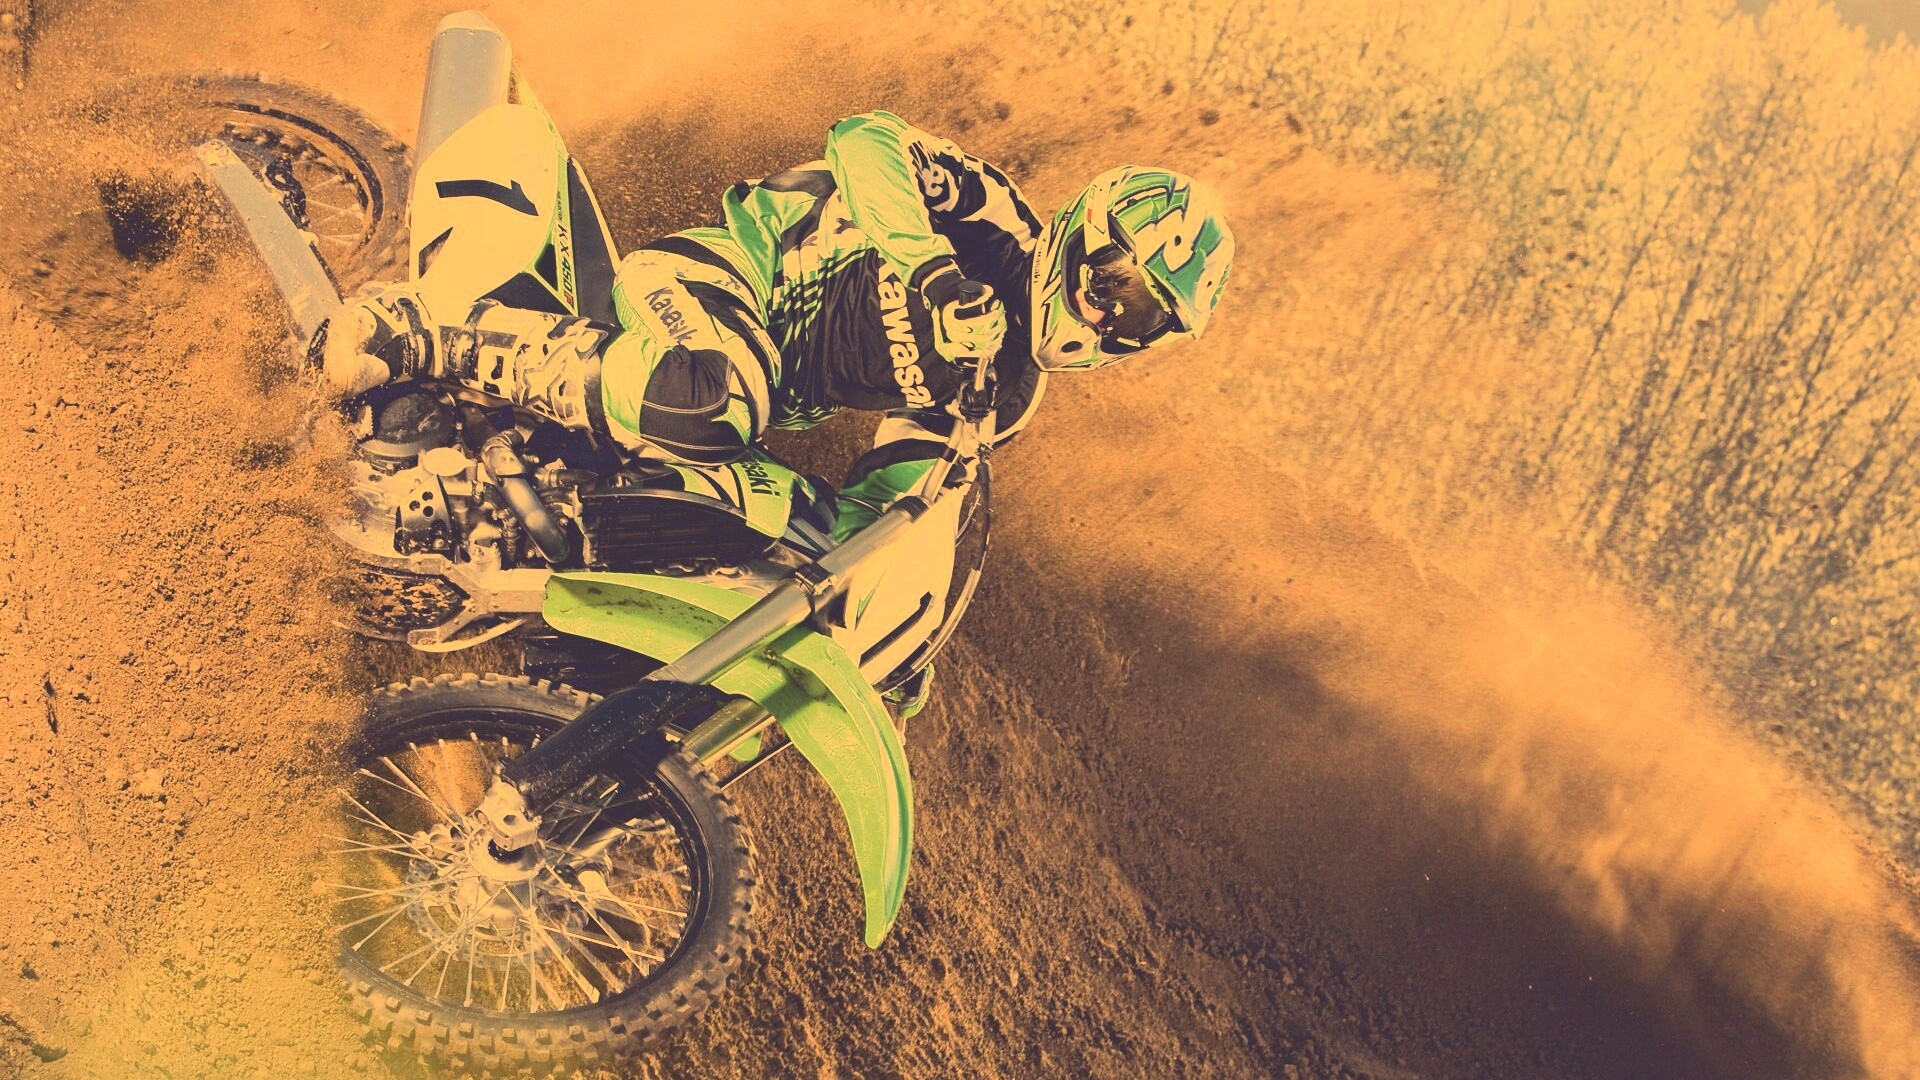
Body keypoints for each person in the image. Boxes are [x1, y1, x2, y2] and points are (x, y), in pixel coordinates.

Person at [318, 111, 1235, 543]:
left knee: (755, 527)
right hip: (721, 283)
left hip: (752, 407)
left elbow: (889, 506)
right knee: (720, 399)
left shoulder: (1004, 396)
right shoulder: (990, 220)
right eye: (1116, 275)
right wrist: (931, 267)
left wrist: (885, 628)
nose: (1108, 311)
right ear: (1084, 228)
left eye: (1143, 315)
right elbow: (865, 138)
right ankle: (422, 330)